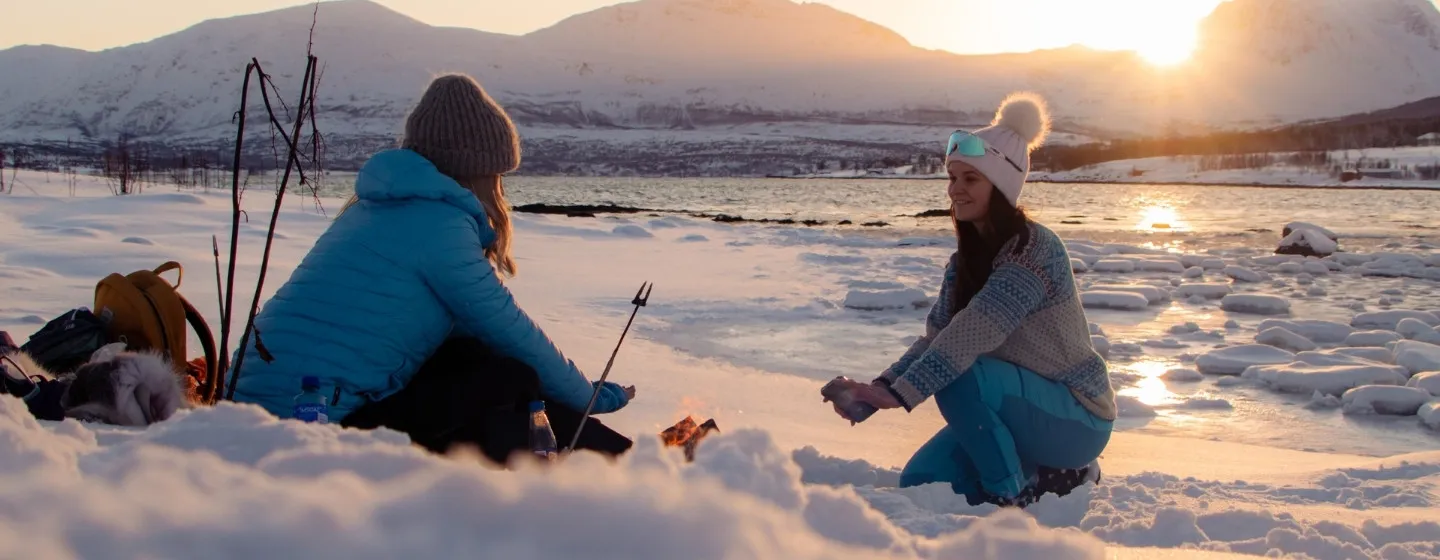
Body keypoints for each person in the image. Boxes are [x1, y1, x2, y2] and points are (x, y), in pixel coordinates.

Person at [230, 73, 636, 465]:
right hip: (313, 428)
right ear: (475, 171)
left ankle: (609, 458)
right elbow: (512, 332)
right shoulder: (438, 227)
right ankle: (612, 465)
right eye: (496, 174)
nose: (499, 188)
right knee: (507, 376)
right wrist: (591, 397)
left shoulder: (374, 211)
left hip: (255, 416)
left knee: (470, 357)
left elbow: (468, 331)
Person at [827, 93, 1116, 507]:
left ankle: (1013, 493)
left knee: (959, 374)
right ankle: (1048, 475)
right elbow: (936, 339)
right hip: (1017, 411)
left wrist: (899, 395)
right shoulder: (964, 261)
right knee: (924, 484)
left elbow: (970, 334)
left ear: (1001, 186)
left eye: (970, 179)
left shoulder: (1034, 251)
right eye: (953, 177)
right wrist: (876, 392)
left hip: (1076, 417)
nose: (955, 190)